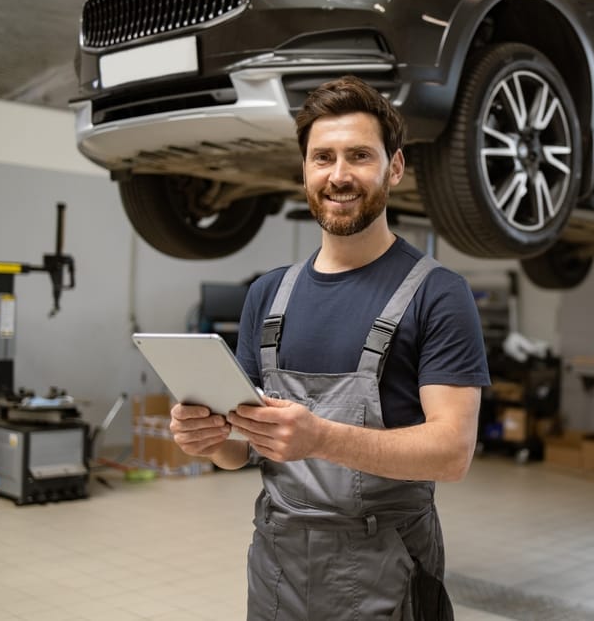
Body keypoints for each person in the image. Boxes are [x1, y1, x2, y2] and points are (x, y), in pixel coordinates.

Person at [169, 75, 491, 620]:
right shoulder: (268, 295)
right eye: (323, 158)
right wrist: (207, 438)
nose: (339, 175)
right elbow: (237, 451)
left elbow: (452, 452)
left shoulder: (438, 293)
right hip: (277, 567)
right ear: (304, 171)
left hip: (384, 569)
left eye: (359, 155)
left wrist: (321, 438)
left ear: (394, 167)